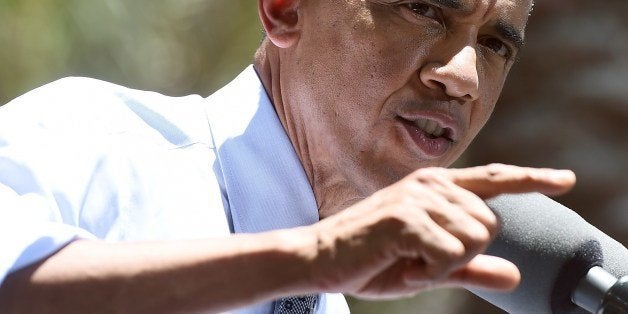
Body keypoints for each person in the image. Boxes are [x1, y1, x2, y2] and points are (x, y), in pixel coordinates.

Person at [0, 0, 576, 313]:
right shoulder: (93, 140)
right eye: (424, 10)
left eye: (495, 46)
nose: (464, 77)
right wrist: (314, 257)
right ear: (284, 9)